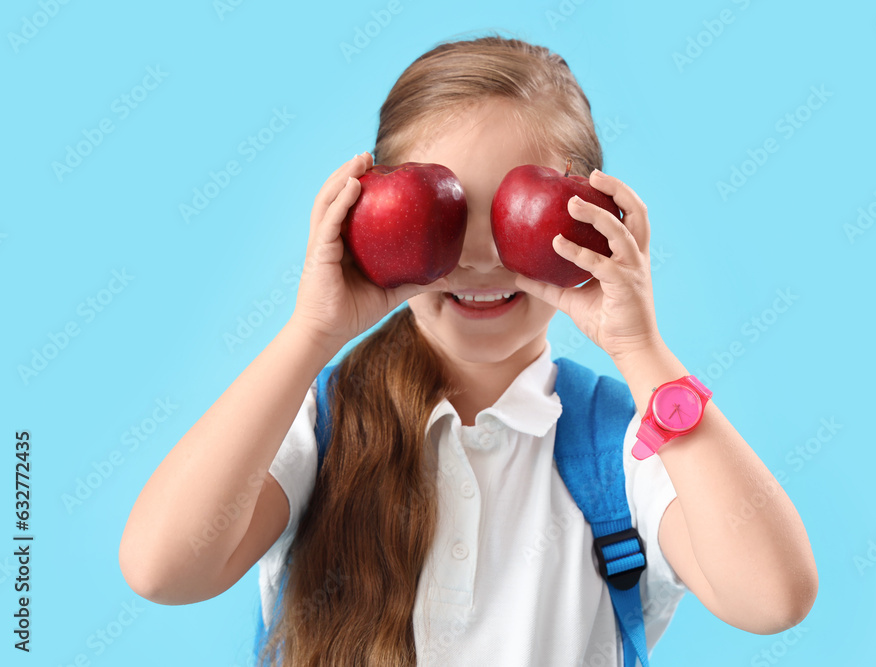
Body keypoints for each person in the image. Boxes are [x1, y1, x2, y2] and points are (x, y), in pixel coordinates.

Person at [119, 34, 818, 666]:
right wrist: (312, 333)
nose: (481, 257)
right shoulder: (320, 426)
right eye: (445, 212)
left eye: (517, 216)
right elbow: (163, 569)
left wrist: (642, 350)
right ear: (368, 220)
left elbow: (773, 597)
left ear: (597, 225)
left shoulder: (628, 448)